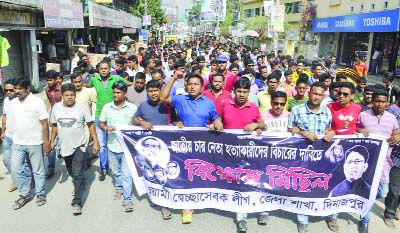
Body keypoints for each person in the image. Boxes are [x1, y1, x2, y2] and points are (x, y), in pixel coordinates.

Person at [160, 72, 222, 224]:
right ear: (186, 86)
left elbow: (215, 118)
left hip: (203, 145)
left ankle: (199, 199)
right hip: (183, 145)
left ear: (202, 87)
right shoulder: (180, 100)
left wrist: (217, 123)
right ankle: (186, 207)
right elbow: (162, 98)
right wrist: (174, 78)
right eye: (190, 84)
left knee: (200, 173)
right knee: (186, 174)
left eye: (196, 84)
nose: (193, 86)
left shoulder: (208, 103)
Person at [288, 81, 335, 233]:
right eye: (314, 93)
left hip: (321, 158)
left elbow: (329, 129)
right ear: (309, 93)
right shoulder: (296, 110)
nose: (317, 97)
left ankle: (324, 213)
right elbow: (289, 131)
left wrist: (331, 133)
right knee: (303, 188)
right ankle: (303, 219)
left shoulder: (327, 112)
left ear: (323, 96)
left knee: (321, 186)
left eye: (320, 95)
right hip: (302, 157)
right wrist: (302, 133)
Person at [220, 77, 265, 233]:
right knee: (237, 184)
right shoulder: (225, 104)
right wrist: (217, 123)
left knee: (249, 183)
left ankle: (249, 214)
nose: (241, 94)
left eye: (244, 92)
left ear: (248, 92)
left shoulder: (253, 107)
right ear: (234, 91)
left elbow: (262, 124)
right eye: (239, 91)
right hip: (229, 152)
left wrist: (256, 125)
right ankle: (242, 215)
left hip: (248, 153)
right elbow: (218, 119)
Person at [50, 83, 100, 215]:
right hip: (65, 147)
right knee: (71, 170)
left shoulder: (82, 108)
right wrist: (52, 141)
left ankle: (77, 202)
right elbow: (54, 126)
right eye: (67, 95)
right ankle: (79, 181)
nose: (70, 97)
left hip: (79, 146)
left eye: (72, 95)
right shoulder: (56, 108)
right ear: (62, 96)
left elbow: (90, 126)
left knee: (77, 173)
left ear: (75, 95)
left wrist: (95, 142)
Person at [356, 89, 400, 232]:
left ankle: (363, 202)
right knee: (368, 190)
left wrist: (398, 137)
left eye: (383, 101)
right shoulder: (363, 115)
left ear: (387, 103)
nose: (379, 104)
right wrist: (360, 130)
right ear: (372, 101)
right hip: (366, 162)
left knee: (382, 192)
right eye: (377, 101)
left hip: (384, 163)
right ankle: (364, 219)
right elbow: (354, 129)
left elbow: (396, 132)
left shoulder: (392, 118)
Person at [10, 78, 51, 210]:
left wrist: (46, 143)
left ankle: (40, 194)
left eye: (19, 89)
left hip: (34, 142)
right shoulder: (13, 103)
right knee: (16, 170)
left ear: (27, 89)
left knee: (37, 170)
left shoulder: (37, 102)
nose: (16, 91)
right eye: (15, 88)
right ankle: (24, 194)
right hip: (17, 142)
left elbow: (44, 124)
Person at [87, 61, 129, 181]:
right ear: (98, 70)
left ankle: (119, 167)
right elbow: (87, 87)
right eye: (101, 69)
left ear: (110, 69)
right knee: (103, 145)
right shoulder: (94, 80)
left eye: (106, 68)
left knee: (117, 142)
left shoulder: (116, 78)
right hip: (99, 116)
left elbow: (128, 84)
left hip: (114, 115)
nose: (104, 70)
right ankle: (104, 169)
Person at [99, 81, 137, 212]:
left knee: (127, 174)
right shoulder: (107, 107)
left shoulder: (132, 108)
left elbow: (137, 125)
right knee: (115, 172)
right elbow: (101, 123)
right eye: (114, 92)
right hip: (112, 146)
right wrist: (105, 128)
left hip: (127, 148)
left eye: (118, 92)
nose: (115, 95)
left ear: (125, 93)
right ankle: (119, 189)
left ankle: (127, 200)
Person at [1, 79, 20, 192]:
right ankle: (17, 178)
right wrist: (3, 131)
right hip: (8, 135)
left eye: (11, 90)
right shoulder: (6, 100)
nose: (8, 92)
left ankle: (20, 180)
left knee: (21, 161)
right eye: (6, 90)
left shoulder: (21, 100)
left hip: (20, 137)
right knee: (6, 160)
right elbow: (4, 116)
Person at [45, 69, 63, 178]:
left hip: (64, 119)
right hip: (53, 119)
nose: (48, 82)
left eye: (50, 80)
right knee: (52, 142)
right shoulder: (47, 90)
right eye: (47, 80)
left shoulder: (62, 89)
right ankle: (51, 167)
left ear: (56, 80)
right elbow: (50, 103)